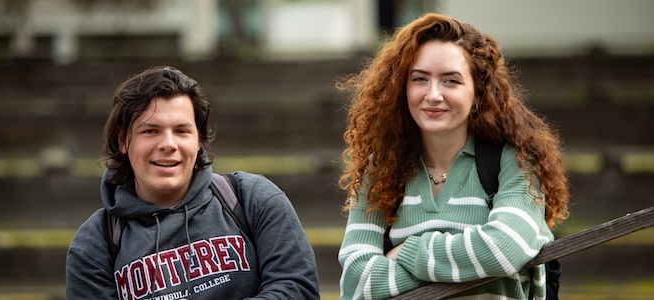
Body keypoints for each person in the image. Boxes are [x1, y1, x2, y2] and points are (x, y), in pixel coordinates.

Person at [336, 13, 569, 299]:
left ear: (478, 91)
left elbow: (504, 248)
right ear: (401, 87)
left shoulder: (513, 160)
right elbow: (356, 283)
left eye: (451, 81)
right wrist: (469, 266)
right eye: (420, 78)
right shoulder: (380, 169)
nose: (433, 95)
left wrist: (407, 252)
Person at [66, 66, 320, 299]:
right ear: (123, 141)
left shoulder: (252, 198)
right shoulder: (95, 244)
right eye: (150, 131)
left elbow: (297, 289)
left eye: (182, 131)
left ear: (198, 140)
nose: (168, 144)